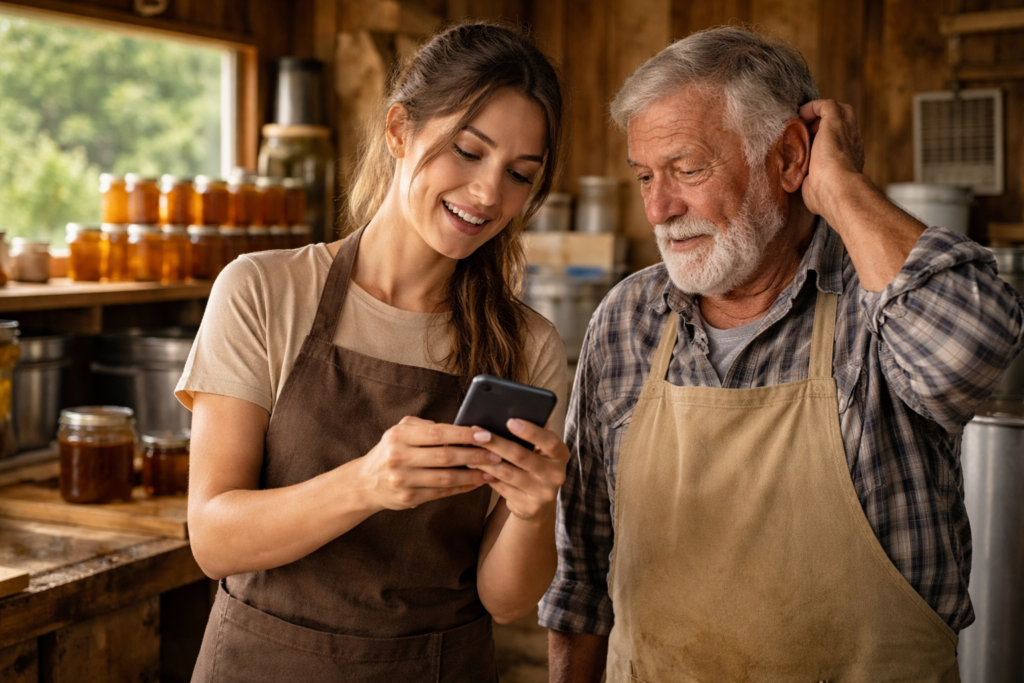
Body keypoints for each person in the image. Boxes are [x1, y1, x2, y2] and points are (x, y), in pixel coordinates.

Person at [541, 26, 1024, 682]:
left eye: (688, 169)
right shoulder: (625, 321)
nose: (658, 208)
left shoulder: (876, 306)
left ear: (791, 159)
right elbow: (582, 580)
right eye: (645, 176)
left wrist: (842, 187)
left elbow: (974, 354)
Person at [176, 22, 570, 682]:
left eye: (519, 174)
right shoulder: (263, 290)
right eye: (468, 152)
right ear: (398, 131)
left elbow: (506, 601)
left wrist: (534, 509)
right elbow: (214, 540)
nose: (487, 193)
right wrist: (365, 483)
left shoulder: (528, 346)